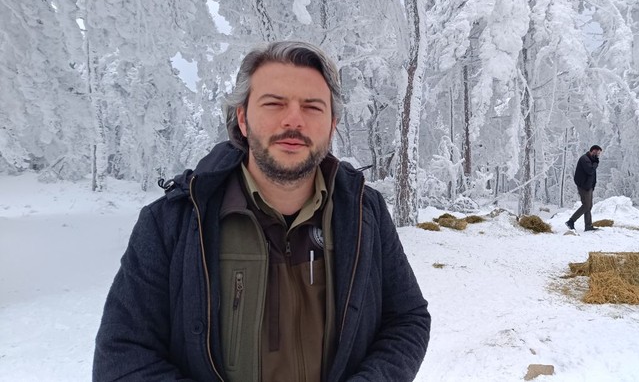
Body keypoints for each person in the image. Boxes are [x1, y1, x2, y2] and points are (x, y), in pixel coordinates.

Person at [93, 41, 431, 381]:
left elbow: (407, 318)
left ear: (332, 124)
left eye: (312, 107)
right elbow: (123, 357)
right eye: (274, 103)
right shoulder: (175, 222)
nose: (293, 120)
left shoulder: (364, 213)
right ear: (242, 118)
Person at [565, 145, 603, 232]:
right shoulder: (584, 159)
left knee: (589, 206)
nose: (598, 155)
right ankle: (571, 221)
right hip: (584, 186)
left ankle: (588, 226)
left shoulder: (590, 159)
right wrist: (596, 163)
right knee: (586, 205)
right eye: (598, 153)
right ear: (593, 151)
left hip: (588, 186)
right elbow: (590, 171)